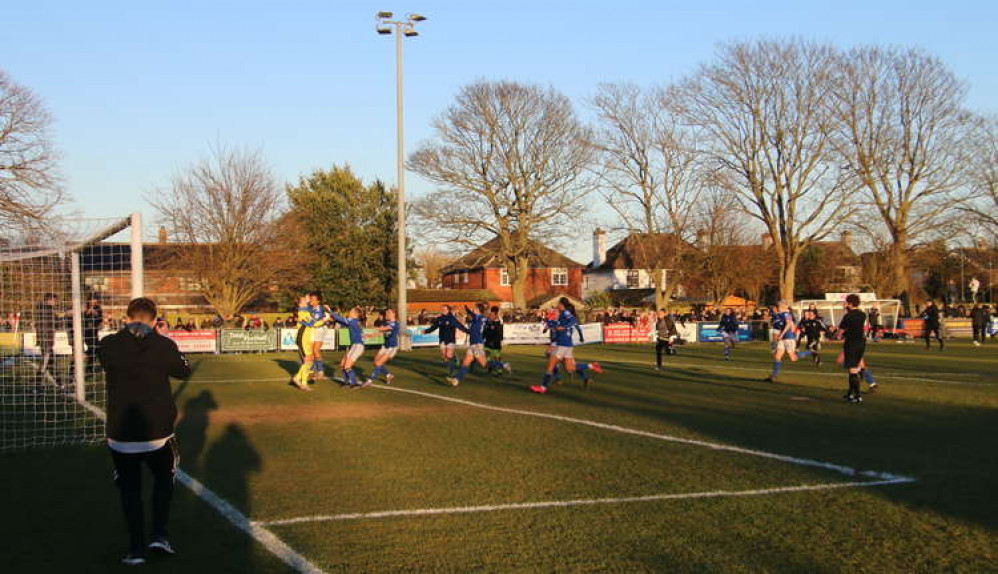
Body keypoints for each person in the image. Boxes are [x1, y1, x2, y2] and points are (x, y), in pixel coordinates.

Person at [98, 297, 191, 565]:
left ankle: (137, 548)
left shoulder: (109, 345)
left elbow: (109, 354)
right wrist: (156, 337)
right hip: (157, 433)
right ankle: (159, 534)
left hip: (121, 434)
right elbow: (183, 371)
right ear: (155, 320)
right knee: (163, 483)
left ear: (126, 319)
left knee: (130, 490)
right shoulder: (163, 345)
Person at [531, 298, 601, 395]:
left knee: (550, 366)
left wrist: (564, 327)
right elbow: (557, 324)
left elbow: (573, 320)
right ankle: (591, 365)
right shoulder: (560, 315)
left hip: (561, 344)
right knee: (570, 367)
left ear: (562, 305)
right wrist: (549, 324)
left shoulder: (565, 312)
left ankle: (543, 387)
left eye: (558, 303)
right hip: (567, 344)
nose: (556, 305)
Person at [835, 294, 867, 404]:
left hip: (851, 343)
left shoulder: (847, 316)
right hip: (861, 343)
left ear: (849, 303)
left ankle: (858, 396)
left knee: (852, 370)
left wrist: (838, 335)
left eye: (846, 303)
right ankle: (850, 393)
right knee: (854, 368)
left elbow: (840, 332)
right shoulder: (863, 315)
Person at [448, 303, 490, 387]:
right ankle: (456, 380)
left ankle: (502, 365)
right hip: (473, 344)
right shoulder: (476, 317)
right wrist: (466, 308)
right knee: (465, 362)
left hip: (477, 343)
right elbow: (472, 314)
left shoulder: (480, 318)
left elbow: (481, 324)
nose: (473, 309)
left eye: (474, 308)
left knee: (483, 364)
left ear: (478, 309)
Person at [423, 305, 469, 379]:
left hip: (450, 340)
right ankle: (455, 357)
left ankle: (451, 373)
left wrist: (468, 331)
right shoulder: (439, 319)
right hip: (442, 340)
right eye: (442, 309)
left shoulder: (452, 318)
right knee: (445, 357)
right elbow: (434, 327)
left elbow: (460, 326)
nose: (442, 310)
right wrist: (427, 331)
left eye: (444, 309)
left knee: (449, 355)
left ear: (448, 310)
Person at [331, 306, 367, 388]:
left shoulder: (353, 320)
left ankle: (354, 383)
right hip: (355, 345)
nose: (349, 313)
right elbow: (342, 322)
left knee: (347, 366)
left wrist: (330, 311)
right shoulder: (354, 321)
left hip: (358, 346)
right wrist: (334, 318)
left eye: (351, 312)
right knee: (343, 364)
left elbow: (340, 319)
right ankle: (346, 382)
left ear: (355, 314)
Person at [763, 301, 798, 383]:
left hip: (788, 338)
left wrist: (782, 334)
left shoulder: (786, 314)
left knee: (793, 358)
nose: (778, 307)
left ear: (783, 306)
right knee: (777, 356)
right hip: (782, 338)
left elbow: (789, 324)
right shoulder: (780, 314)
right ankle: (773, 376)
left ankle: (809, 351)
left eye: (779, 305)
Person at [34, 293, 62, 389]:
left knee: (50, 363)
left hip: (44, 339)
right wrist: (63, 316)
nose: (56, 302)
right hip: (46, 340)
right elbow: (56, 324)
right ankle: (36, 386)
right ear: (49, 300)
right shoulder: (47, 311)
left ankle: (59, 383)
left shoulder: (42, 310)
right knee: (46, 363)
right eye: (54, 300)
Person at [367, 308, 400, 385]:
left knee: (378, 363)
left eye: (389, 312)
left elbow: (386, 328)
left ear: (394, 313)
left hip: (392, 347)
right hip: (385, 346)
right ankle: (388, 375)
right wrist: (369, 336)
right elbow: (381, 332)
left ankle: (370, 380)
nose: (387, 314)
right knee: (375, 362)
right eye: (386, 313)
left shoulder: (395, 323)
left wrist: (376, 328)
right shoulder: (386, 323)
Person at [483, 306, 511, 376]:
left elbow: (499, 334)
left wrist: (496, 341)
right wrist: (483, 337)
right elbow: (485, 331)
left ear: (496, 315)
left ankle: (500, 370)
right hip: (487, 342)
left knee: (497, 357)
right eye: (490, 315)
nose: (490, 316)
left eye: (492, 315)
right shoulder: (488, 322)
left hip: (495, 343)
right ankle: (490, 368)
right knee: (486, 355)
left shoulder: (498, 323)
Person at [83, 295, 104, 367]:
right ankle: (89, 364)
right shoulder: (85, 308)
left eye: (95, 300)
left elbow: (100, 319)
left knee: (95, 348)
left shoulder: (98, 308)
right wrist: (87, 312)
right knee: (92, 348)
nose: (94, 301)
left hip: (94, 331)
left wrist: (95, 313)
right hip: (86, 332)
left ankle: (90, 365)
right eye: (92, 299)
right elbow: (83, 318)